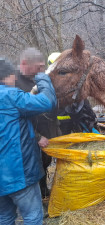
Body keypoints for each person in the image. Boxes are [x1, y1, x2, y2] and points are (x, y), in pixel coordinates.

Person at [0, 58, 57, 224]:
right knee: (32, 216)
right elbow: (47, 101)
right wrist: (42, 77)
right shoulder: (10, 95)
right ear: (7, 76)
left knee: (4, 217)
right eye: (12, 75)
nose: (15, 78)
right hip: (18, 174)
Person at [15, 47, 61, 198]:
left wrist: (57, 131)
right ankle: (38, 197)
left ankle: (44, 189)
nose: (42, 70)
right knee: (34, 166)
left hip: (48, 130)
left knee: (46, 162)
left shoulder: (41, 78)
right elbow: (18, 119)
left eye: (43, 66)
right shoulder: (14, 83)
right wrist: (37, 137)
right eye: (39, 67)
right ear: (25, 64)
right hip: (30, 136)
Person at [47, 52, 100, 135]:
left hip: (75, 120)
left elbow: (83, 104)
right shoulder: (48, 84)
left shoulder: (69, 80)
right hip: (61, 123)